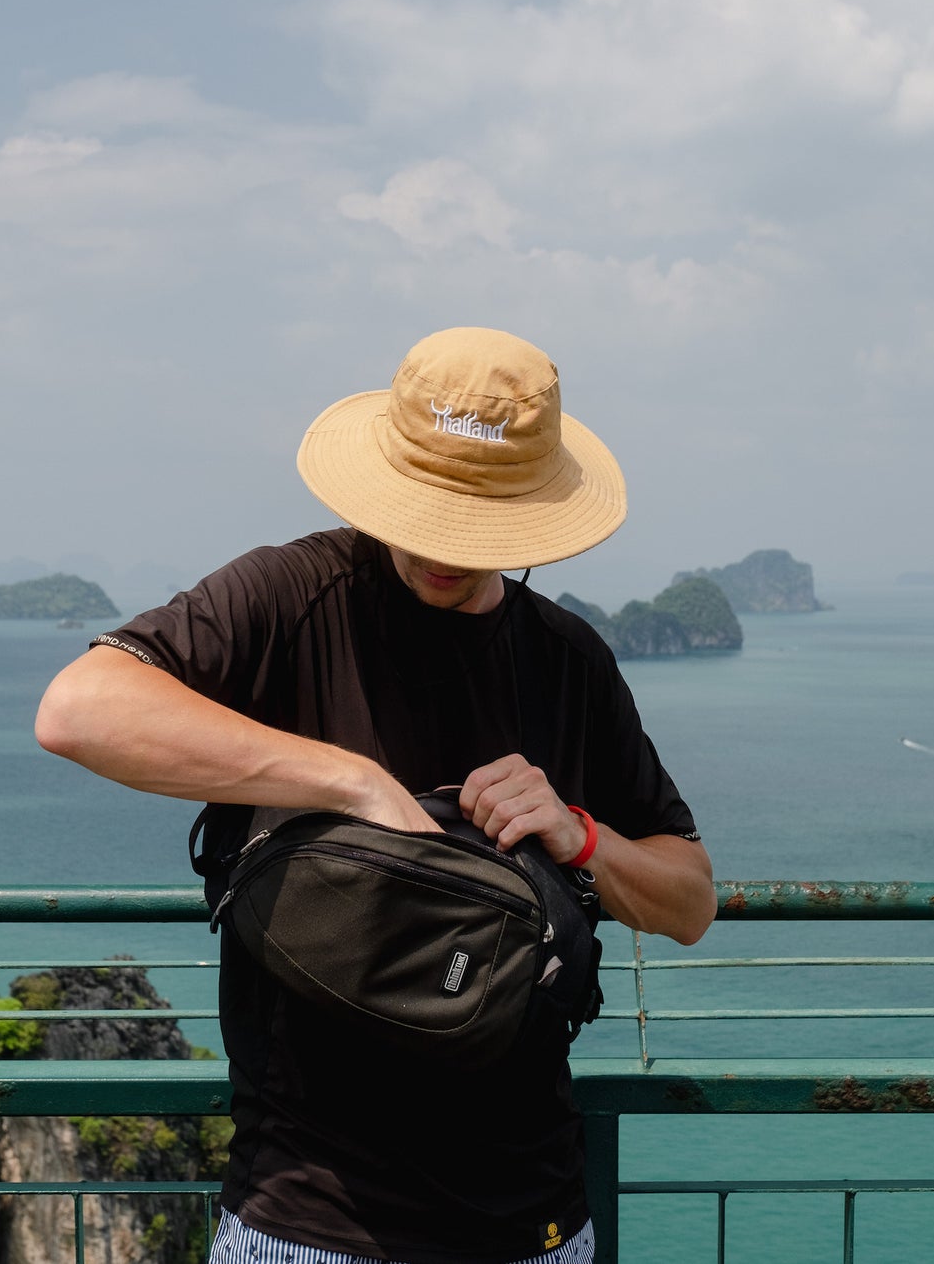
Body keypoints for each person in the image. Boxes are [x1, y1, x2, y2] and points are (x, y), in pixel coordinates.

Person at [35, 326, 716, 1264]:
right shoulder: (291, 596)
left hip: (533, 1218)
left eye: (478, 524)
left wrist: (580, 831)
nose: (444, 548)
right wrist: (347, 779)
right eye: (427, 512)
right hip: (310, 1218)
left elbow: (689, 899)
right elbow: (81, 709)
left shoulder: (567, 661)